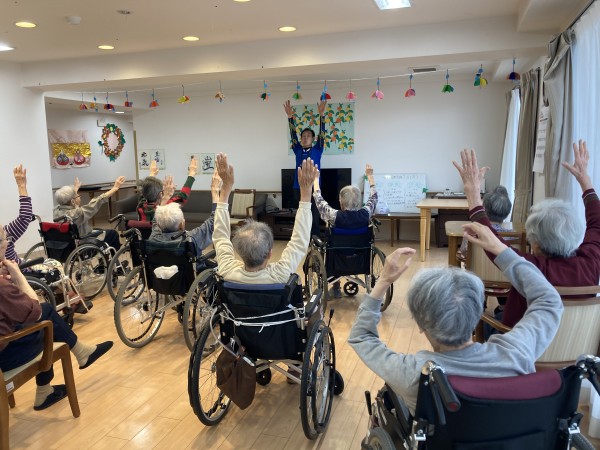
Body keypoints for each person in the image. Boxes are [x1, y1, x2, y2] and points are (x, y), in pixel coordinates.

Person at [349, 222, 563, 414]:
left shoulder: (412, 374)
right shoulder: (516, 354)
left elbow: (361, 337)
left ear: (421, 324)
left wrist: (383, 281)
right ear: (477, 314)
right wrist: (500, 249)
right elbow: (549, 300)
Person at [453, 140, 600, 327]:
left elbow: (491, 240)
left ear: (535, 243)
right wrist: (585, 180)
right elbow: (597, 224)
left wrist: (473, 194)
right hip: (575, 344)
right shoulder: (590, 263)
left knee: (489, 323)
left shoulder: (529, 268)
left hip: (519, 344)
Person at [0, 256, 113, 411]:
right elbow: (36, 311)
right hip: (6, 358)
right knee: (46, 318)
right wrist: (19, 277)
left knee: (45, 320)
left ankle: (46, 389)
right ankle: (80, 354)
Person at [213, 153, 317, 284]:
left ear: (239, 252)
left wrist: (225, 189)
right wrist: (307, 193)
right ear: (269, 254)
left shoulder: (227, 270)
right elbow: (299, 242)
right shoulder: (280, 275)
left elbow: (220, 238)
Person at [313, 163, 378, 298]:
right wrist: (370, 176)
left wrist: (315, 179)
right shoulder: (366, 213)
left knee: (322, 244)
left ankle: (335, 285)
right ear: (358, 202)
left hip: (337, 257)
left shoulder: (333, 215)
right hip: (360, 257)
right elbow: (374, 197)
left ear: (340, 201)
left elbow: (318, 199)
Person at [150, 169, 221, 261]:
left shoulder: (154, 237)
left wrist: (166, 197)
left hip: (158, 269)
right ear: (182, 224)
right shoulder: (191, 238)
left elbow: (156, 219)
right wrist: (215, 191)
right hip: (189, 270)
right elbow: (215, 220)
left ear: (159, 225)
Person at [284, 99, 327, 237]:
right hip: (298, 187)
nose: (305, 138)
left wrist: (322, 115)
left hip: (314, 187)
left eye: (308, 136)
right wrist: (290, 117)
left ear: (313, 139)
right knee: (301, 212)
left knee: (314, 213)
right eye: (303, 136)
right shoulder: (297, 149)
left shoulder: (318, 149)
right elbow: (293, 134)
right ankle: (302, 237)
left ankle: (314, 238)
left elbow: (322, 133)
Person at [54, 176, 125, 251]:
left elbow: (67, 201)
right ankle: (113, 257)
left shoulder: (56, 211)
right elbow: (97, 201)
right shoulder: (77, 214)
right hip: (83, 241)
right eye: (78, 195)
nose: (79, 197)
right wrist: (115, 188)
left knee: (99, 230)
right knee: (112, 234)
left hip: (67, 243)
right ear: (72, 201)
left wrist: (75, 190)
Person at [137, 157, 198, 222]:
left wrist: (152, 173)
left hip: (142, 229)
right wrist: (192, 173)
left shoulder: (140, 206)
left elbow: (145, 189)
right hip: (160, 229)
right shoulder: (166, 206)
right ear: (160, 194)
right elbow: (183, 196)